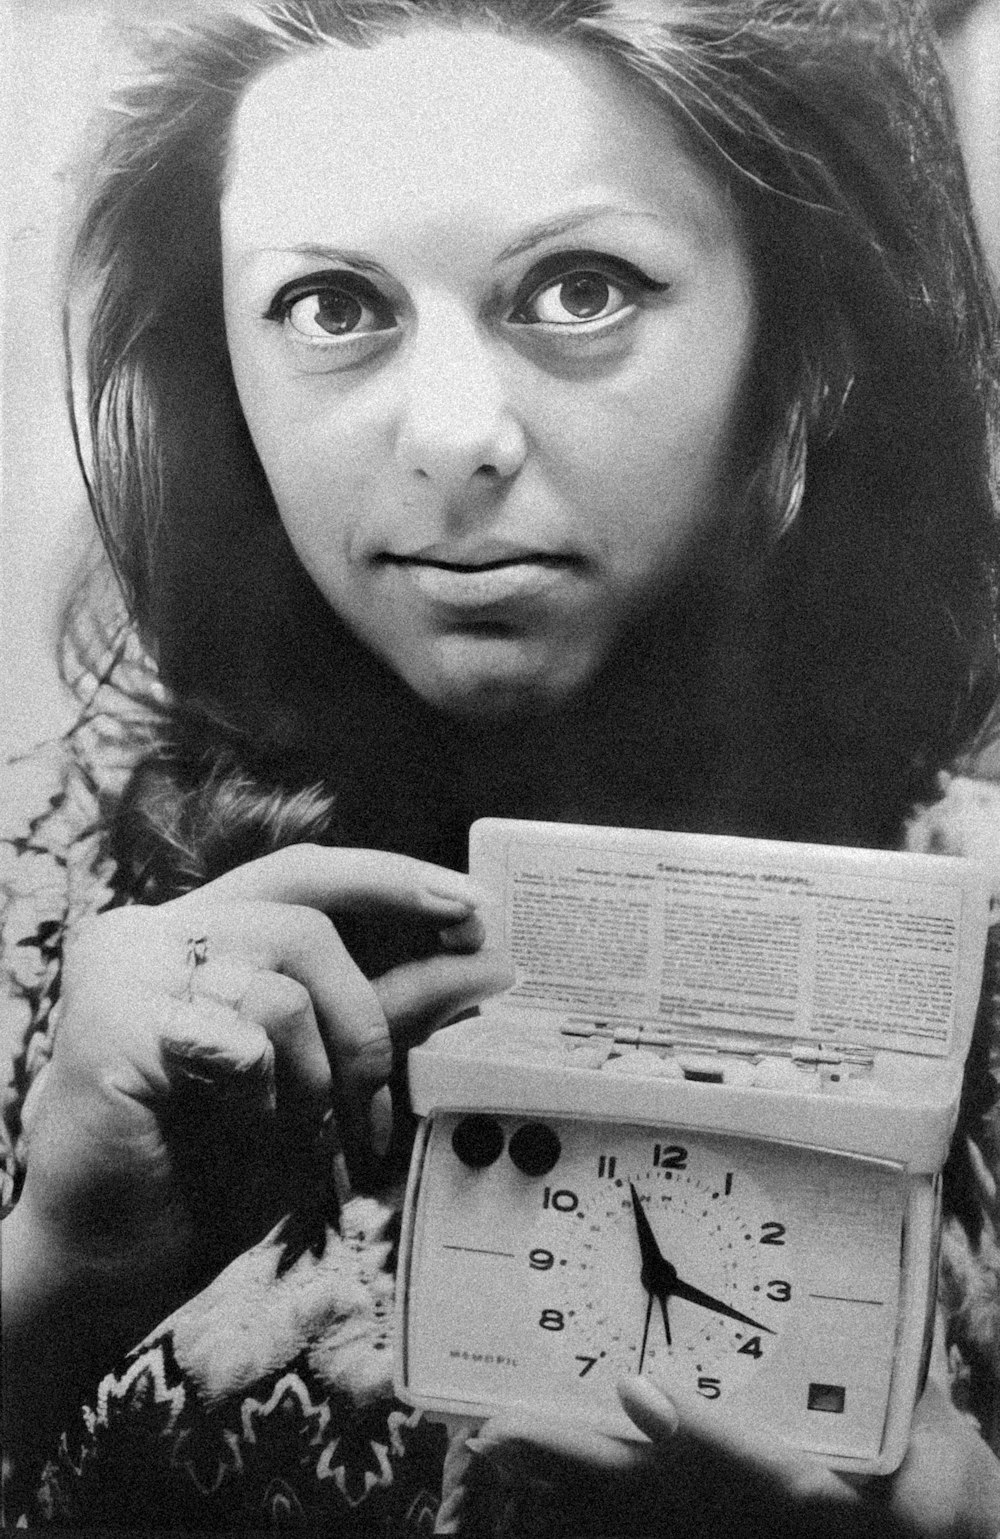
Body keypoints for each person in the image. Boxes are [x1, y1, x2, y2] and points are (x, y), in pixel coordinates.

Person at [2, 0, 999, 1532]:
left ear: (800, 356)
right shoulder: (48, 892)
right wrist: (51, 1274)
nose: (454, 437)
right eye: (334, 307)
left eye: (581, 288)